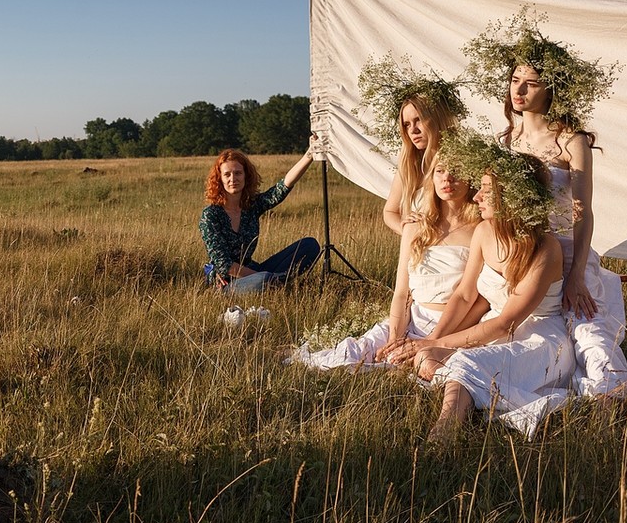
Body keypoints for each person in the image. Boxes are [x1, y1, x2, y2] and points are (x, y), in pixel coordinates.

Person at [463, 10, 627, 397]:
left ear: (551, 88)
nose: (519, 90)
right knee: (517, 332)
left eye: (531, 83)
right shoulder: (505, 142)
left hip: (568, 252)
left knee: (587, 334)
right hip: (525, 253)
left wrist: (574, 276)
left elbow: (582, 212)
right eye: (514, 80)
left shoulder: (571, 141)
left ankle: (608, 400)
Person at [383, 131, 573, 440]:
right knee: (426, 359)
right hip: (491, 329)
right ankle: (482, 401)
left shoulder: (545, 248)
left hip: (538, 338)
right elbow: (464, 293)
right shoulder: (485, 231)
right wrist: (432, 339)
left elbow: (506, 323)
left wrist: (432, 343)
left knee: (464, 362)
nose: (475, 197)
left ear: (509, 195)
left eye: (485, 190)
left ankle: (444, 434)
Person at [296, 154, 483, 369]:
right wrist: (395, 337)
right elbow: (402, 293)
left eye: (457, 172)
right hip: (411, 317)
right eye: (440, 171)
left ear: (471, 177)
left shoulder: (480, 229)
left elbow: (478, 300)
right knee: (351, 358)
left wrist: (431, 341)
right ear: (431, 177)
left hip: (454, 326)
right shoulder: (415, 227)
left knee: (410, 368)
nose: (447, 179)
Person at [356, 57, 467, 235]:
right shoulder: (411, 164)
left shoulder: (462, 159)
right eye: (406, 124)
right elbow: (389, 212)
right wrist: (406, 229)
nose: (413, 130)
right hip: (419, 249)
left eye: (419, 120)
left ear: (436, 117)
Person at [199, 143, 320, 294]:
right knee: (262, 280)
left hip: (253, 271)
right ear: (219, 179)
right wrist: (266, 278)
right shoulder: (210, 215)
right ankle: (274, 283)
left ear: (245, 176)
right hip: (227, 283)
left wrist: (309, 154)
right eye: (227, 174)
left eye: (238, 173)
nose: (233, 179)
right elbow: (225, 265)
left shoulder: (252, 206)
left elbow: (281, 188)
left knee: (310, 245)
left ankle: (273, 283)